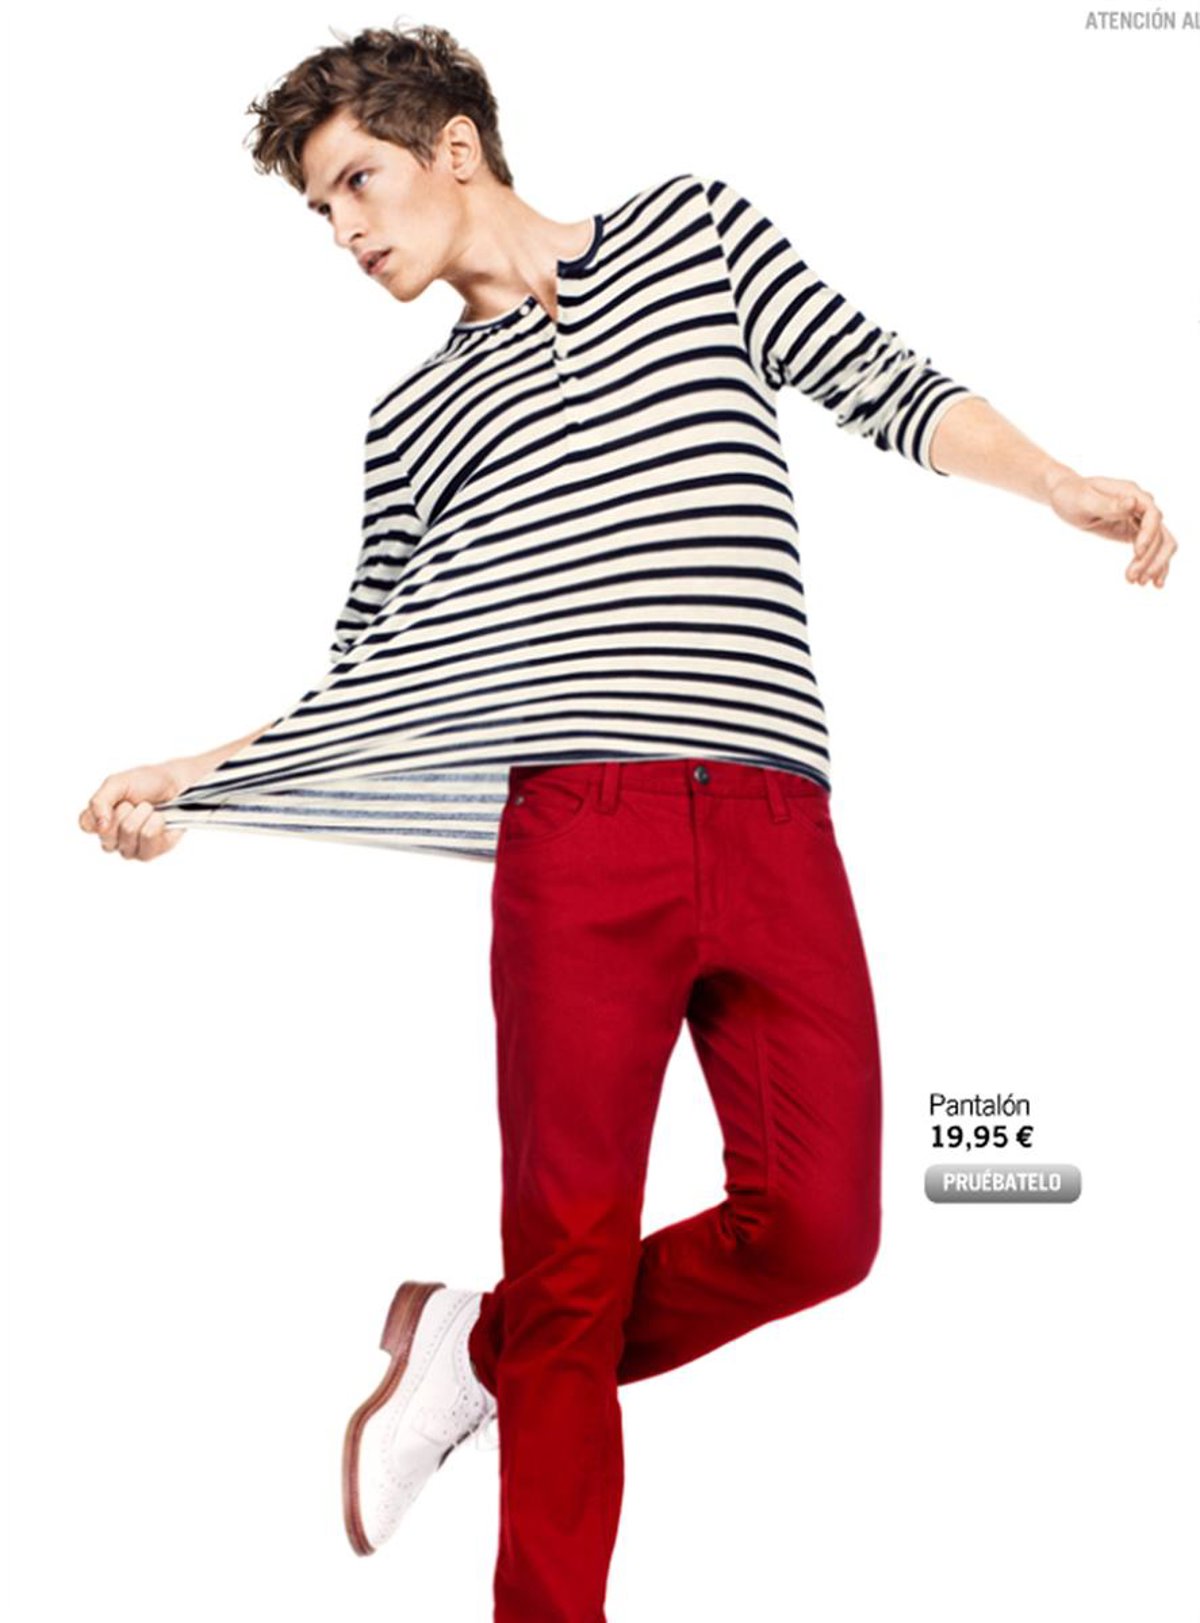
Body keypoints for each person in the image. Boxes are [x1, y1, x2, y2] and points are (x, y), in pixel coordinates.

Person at [77, 21, 1179, 1623]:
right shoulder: (412, 424)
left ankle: (476, 1346)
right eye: (319, 211)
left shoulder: (692, 236)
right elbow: (374, 679)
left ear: (456, 146)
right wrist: (197, 775)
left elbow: (883, 379)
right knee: (576, 1259)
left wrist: (1058, 482)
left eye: (358, 183)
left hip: (777, 818)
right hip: (578, 840)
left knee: (819, 1230)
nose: (344, 232)